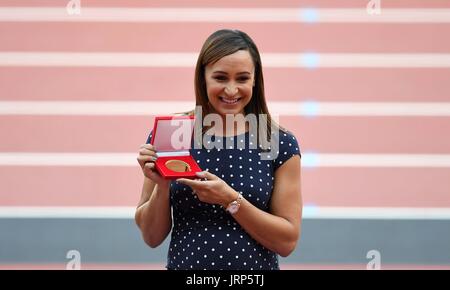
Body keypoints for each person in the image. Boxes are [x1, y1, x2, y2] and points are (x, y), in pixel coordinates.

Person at [135, 29, 302, 270]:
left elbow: (287, 241)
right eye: (221, 78)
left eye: (242, 78)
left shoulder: (278, 142)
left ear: (256, 79)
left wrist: (230, 200)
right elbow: (151, 237)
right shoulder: (173, 133)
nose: (232, 90)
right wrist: (162, 184)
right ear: (203, 77)